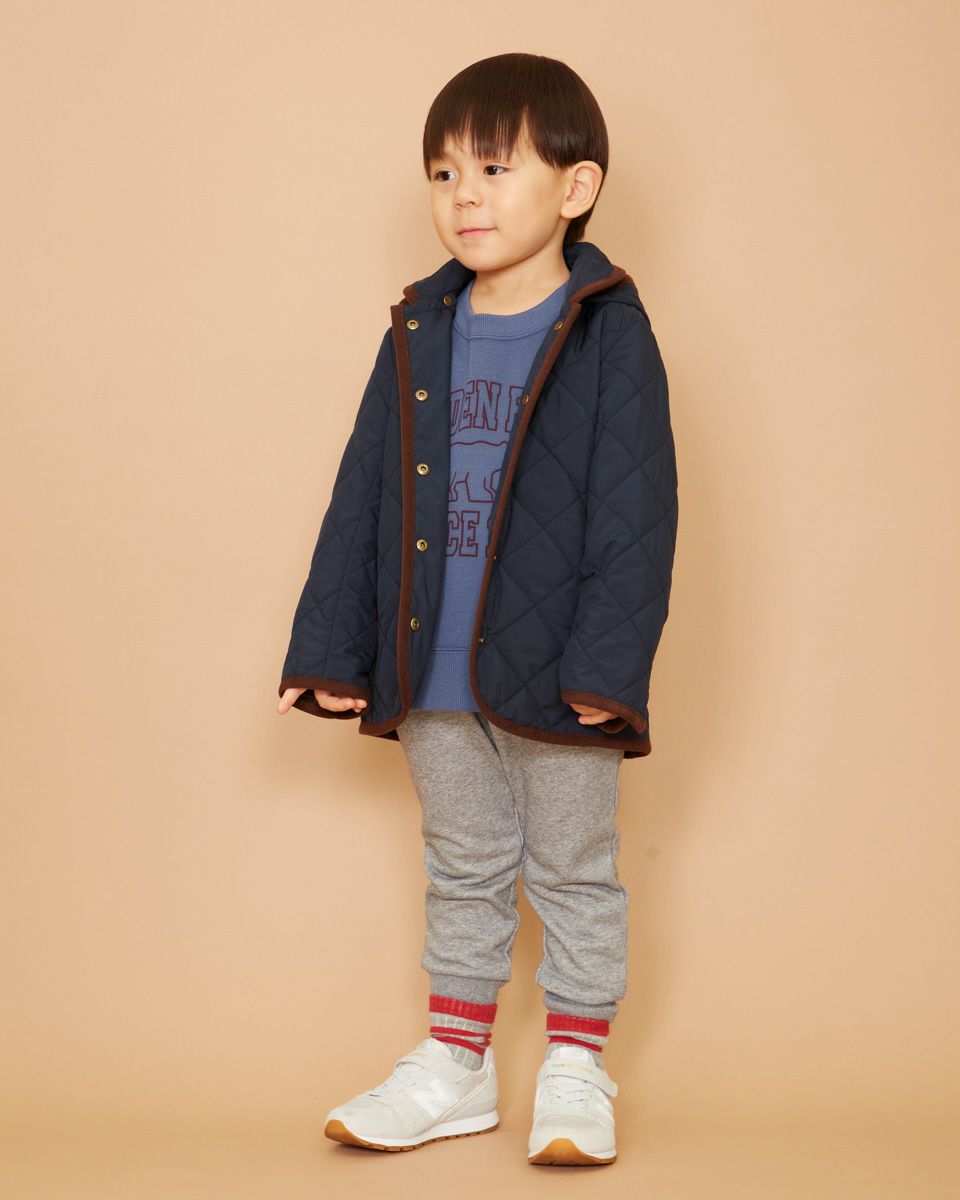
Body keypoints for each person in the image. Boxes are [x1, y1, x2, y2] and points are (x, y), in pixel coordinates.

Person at [277, 52, 678, 1166]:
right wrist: (334, 650)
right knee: (462, 864)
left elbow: (637, 514)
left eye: (495, 169)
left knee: (573, 868)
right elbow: (364, 490)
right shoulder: (419, 328)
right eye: (445, 172)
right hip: (431, 662)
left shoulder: (609, 332)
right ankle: (456, 1064)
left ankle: (577, 1067)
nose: (465, 195)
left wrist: (608, 671)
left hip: (558, 670)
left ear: (576, 186)